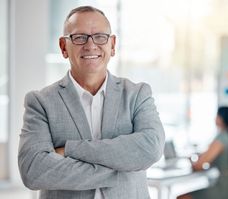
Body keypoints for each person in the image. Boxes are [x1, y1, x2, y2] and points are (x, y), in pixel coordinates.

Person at [18, 6, 165, 199]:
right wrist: (120, 168)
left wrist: (70, 149)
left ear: (112, 45)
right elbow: (33, 170)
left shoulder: (137, 94)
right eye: (79, 37)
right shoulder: (40, 102)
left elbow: (150, 148)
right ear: (63, 47)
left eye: (100, 37)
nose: (90, 45)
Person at [180, 106, 228, 199]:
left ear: (221, 118)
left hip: (224, 190)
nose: (215, 118)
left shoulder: (221, 138)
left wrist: (192, 162)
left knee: (182, 197)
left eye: (217, 115)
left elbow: (198, 165)